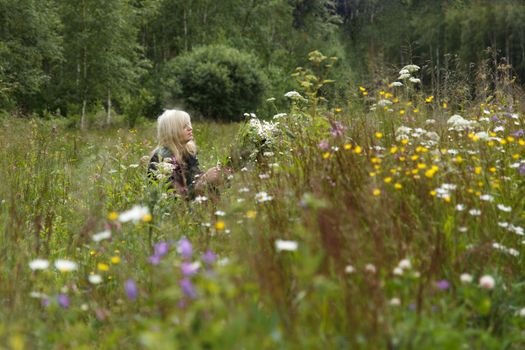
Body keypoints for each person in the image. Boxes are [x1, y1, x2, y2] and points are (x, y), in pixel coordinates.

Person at [147, 109, 224, 199]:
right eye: (184, 126)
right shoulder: (160, 158)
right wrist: (204, 180)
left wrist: (212, 179)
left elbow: (194, 179)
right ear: (172, 131)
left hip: (190, 203)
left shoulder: (188, 151)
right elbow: (171, 195)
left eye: (189, 124)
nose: (190, 128)